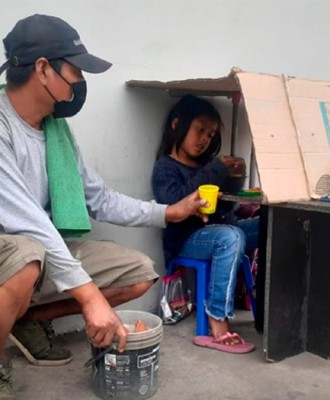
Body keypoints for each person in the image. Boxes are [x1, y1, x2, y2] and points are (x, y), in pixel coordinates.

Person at [0, 14, 206, 398]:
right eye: (75, 70)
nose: (81, 82)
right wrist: (89, 296)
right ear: (43, 69)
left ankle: (26, 320)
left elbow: (100, 198)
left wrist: (168, 212)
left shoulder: (56, 132)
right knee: (28, 254)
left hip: (39, 253)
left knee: (140, 273)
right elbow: (25, 221)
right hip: (12, 252)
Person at [152, 94, 258, 354]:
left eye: (210, 135)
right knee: (230, 236)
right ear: (177, 125)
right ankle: (217, 321)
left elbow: (225, 209)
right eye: (200, 130)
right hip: (187, 240)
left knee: (266, 224)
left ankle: (266, 304)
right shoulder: (166, 167)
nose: (204, 140)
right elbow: (175, 206)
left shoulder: (207, 166)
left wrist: (234, 177)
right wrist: (215, 171)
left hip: (220, 231)